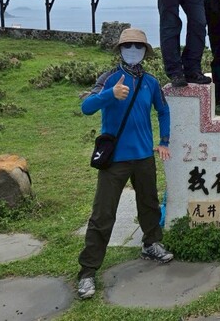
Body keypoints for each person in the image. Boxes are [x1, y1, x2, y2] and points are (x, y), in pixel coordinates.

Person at [76, 28, 173, 299]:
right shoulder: (109, 78)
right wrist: (110, 94)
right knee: (103, 214)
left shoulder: (151, 82)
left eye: (138, 46)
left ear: (145, 51)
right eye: (128, 45)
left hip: (143, 156)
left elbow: (163, 110)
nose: (133, 50)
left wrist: (164, 140)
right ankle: (87, 271)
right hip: (115, 159)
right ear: (120, 49)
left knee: (149, 204)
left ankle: (151, 244)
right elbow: (87, 107)